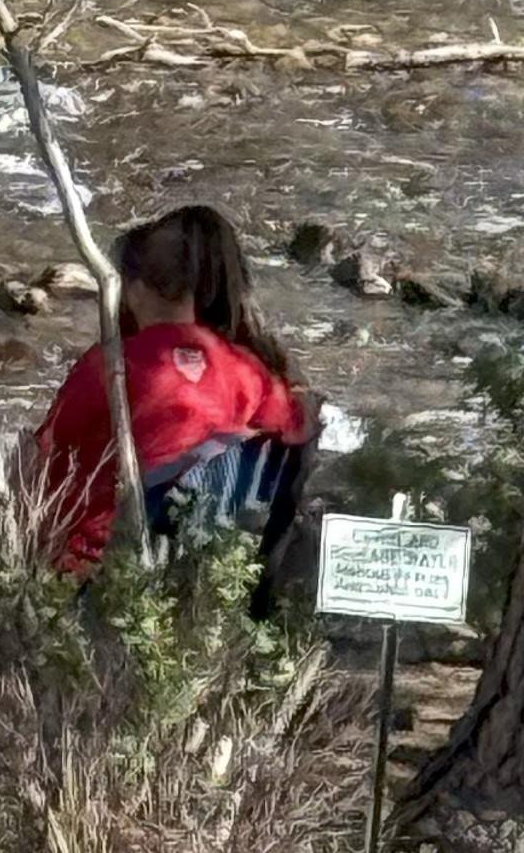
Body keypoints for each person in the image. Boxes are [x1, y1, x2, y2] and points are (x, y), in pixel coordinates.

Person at [21, 202, 310, 577]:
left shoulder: (110, 365)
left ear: (135, 288)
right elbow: (289, 436)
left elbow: (49, 460)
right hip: (203, 555)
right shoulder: (248, 371)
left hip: (103, 561)